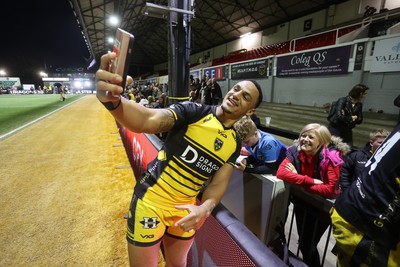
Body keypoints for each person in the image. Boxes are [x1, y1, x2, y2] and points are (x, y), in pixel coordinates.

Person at [95, 51, 263, 267]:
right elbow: (148, 119)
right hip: (151, 203)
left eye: (245, 96)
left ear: (250, 111)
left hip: (185, 211)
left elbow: (219, 184)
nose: (236, 94)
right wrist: (113, 102)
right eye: (236, 88)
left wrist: (205, 208)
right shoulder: (194, 112)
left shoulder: (234, 143)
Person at [276, 123, 350, 267]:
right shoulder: (294, 151)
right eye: (303, 135)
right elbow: (281, 173)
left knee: (307, 245)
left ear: (321, 141)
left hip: (321, 209)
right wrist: (307, 180)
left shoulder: (332, 157)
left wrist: (297, 179)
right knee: (304, 242)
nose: (305, 139)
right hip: (302, 203)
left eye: (311, 137)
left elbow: (329, 190)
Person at [330, 123, 400, 267]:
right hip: (368, 229)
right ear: (371, 143)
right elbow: (344, 176)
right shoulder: (356, 156)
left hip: (351, 213)